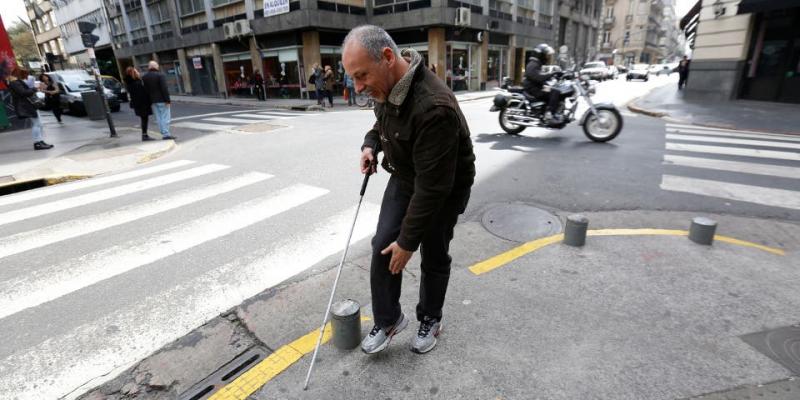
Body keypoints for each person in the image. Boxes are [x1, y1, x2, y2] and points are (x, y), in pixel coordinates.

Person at [342, 25, 475, 355]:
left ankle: (431, 317)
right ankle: (388, 320)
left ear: (387, 57)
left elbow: (432, 188)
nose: (358, 87)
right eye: (353, 78)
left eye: (361, 76)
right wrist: (370, 145)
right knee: (382, 245)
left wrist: (407, 242)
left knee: (432, 252)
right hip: (405, 176)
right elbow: (383, 120)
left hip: (442, 188)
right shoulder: (388, 85)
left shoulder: (434, 107)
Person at [8, 68, 53, 150]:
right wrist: (36, 88)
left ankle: (40, 141)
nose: (26, 77)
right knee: (36, 124)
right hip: (26, 106)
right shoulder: (14, 83)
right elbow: (23, 93)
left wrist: (35, 88)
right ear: (20, 74)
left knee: (38, 124)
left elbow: (25, 91)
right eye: (25, 75)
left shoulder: (16, 82)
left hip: (29, 105)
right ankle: (38, 143)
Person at [523, 43, 563, 124]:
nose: (547, 57)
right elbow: (539, 77)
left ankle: (554, 111)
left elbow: (540, 77)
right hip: (533, 89)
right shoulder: (533, 64)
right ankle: (549, 114)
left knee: (556, 89)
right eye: (546, 55)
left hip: (537, 86)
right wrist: (552, 74)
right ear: (540, 55)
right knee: (555, 92)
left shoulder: (537, 64)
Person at [142, 61, 174, 140]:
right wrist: (167, 100)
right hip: (162, 100)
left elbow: (145, 90)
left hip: (153, 101)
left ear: (149, 67)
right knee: (165, 117)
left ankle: (163, 132)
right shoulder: (160, 75)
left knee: (159, 118)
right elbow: (164, 88)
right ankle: (166, 134)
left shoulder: (145, 77)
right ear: (156, 67)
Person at [123, 67, 155, 141]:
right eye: (137, 71)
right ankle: (144, 135)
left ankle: (145, 135)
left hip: (138, 104)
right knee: (144, 119)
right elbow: (143, 94)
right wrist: (149, 101)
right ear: (133, 73)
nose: (138, 73)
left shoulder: (130, 83)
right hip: (142, 104)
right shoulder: (137, 83)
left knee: (144, 119)